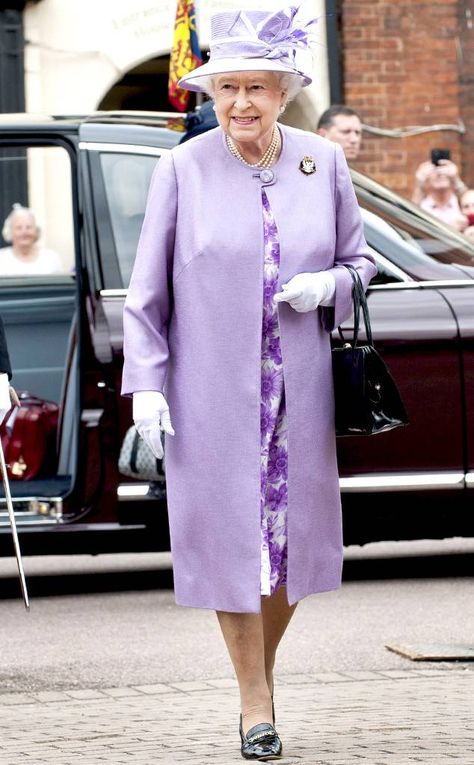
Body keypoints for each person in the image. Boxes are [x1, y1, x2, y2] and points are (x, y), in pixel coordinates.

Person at [121, 6, 376, 761]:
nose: (240, 104)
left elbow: (362, 266)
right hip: (211, 398)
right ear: (211, 93)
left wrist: (325, 284)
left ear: (285, 90)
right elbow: (146, 294)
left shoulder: (320, 163)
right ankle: (253, 699)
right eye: (227, 88)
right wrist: (148, 385)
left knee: (291, 547)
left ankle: (259, 672)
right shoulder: (181, 169)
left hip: (298, 395)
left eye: (256, 89)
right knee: (233, 545)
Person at [0, 204, 62, 276]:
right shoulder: (2, 259)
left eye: (29, 227)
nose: (24, 232)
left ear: (36, 231)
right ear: (10, 232)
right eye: (19, 228)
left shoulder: (51, 258)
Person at [412, 160, 466, 230]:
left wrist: (456, 180)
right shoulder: (421, 206)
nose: (439, 174)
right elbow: (411, 217)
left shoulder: (461, 203)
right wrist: (419, 185)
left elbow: (469, 200)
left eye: (443, 169)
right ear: (426, 178)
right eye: (434, 170)